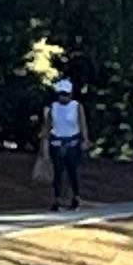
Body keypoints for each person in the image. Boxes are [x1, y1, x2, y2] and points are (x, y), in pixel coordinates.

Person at [47, 74, 88, 211]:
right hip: (57, 142)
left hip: (72, 142)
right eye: (61, 94)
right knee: (57, 172)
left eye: (65, 94)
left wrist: (85, 139)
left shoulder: (76, 106)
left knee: (72, 171)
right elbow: (47, 126)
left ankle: (76, 197)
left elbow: (82, 124)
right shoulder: (53, 107)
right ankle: (57, 198)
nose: (63, 97)